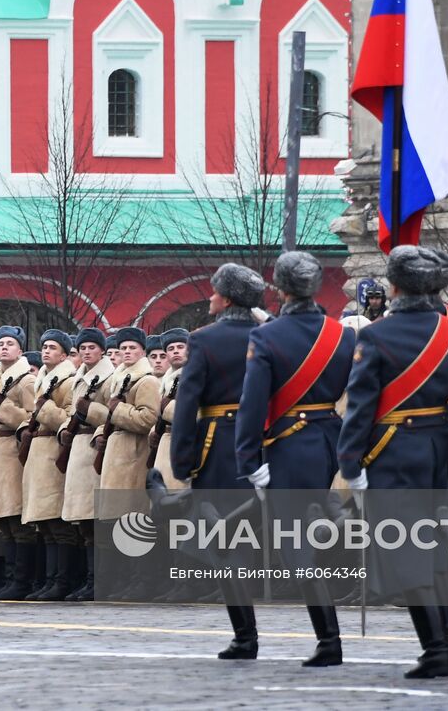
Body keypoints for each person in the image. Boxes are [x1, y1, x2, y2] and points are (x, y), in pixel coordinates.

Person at [340, 246, 448, 679]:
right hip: (439, 451)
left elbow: (361, 406)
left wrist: (350, 461)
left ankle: (435, 649)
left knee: (406, 553)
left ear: (395, 287)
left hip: (392, 453)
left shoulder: (375, 336)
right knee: (431, 549)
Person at [237, 251, 356, 668]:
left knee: (295, 547)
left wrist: (249, 458)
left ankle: (329, 641)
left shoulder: (267, 338)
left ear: (281, 289)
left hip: (289, 446)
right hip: (329, 441)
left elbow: (252, 405)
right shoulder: (342, 335)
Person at [170, 263, 267, 660]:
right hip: (265, 443)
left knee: (225, 542)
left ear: (226, 299)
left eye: (213, 291)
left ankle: (245, 635)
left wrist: (183, 459)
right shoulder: (268, 334)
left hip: (219, 446)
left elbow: (188, 402)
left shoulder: (204, 339)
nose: (209, 297)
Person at [0, 326, 37, 600]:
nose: (4, 347)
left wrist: (2, 409)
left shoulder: (25, 381)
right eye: (0, 343)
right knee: (2, 517)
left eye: (10, 343)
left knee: (14, 515)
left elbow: (30, 417)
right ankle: (11, 577)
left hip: (13, 450)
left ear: (20, 350)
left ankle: (21, 580)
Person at [20, 329, 78, 601]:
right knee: (43, 523)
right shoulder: (43, 379)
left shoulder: (67, 381)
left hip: (54, 451)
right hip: (38, 452)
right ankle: (49, 580)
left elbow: (69, 417)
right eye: (44, 346)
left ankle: (62, 581)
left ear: (65, 354)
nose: (46, 351)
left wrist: (43, 408)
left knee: (57, 522)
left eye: (53, 347)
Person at [58, 327, 115, 601]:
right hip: (77, 448)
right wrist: (64, 431)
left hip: (94, 448)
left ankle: (101, 581)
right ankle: (88, 579)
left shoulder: (110, 377)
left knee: (97, 520)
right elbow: (69, 413)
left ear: (102, 350)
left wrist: (87, 410)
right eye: (83, 348)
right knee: (82, 523)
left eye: (92, 347)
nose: (86, 352)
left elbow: (111, 415)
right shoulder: (79, 378)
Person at [97, 328, 161, 521]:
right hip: (115, 453)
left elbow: (148, 419)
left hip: (133, 455)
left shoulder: (147, 380)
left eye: (132, 347)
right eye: (123, 347)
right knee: (112, 522)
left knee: (129, 520)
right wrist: (100, 432)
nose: (126, 351)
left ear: (142, 352)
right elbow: (107, 416)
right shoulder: (117, 380)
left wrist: (118, 410)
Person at [148, 329, 190, 493]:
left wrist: (167, 408)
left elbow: (196, 414)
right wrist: (153, 431)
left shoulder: (195, 375)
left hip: (184, 443)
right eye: (171, 349)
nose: (176, 351)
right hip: (164, 443)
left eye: (180, 346)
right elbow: (158, 415)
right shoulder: (167, 380)